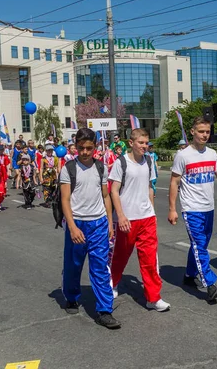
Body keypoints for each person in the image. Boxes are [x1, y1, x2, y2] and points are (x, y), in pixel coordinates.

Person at [168, 116, 217, 302]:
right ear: (192, 132)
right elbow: (174, 182)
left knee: (201, 245)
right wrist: (172, 209)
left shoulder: (212, 154)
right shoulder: (183, 155)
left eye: (207, 132)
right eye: (201, 131)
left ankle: (190, 274)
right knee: (200, 246)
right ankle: (209, 284)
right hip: (191, 208)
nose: (205, 135)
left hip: (209, 207)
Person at [60, 128, 119, 329]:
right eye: (81, 148)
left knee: (100, 267)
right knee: (74, 265)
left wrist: (110, 222)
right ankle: (72, 296)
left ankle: (104, 310)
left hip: (99, 224)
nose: (85, 152)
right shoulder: (68, 168)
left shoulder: (101, 167)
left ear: (95, 147)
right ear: (76, 147)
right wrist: (73, 227)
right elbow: (65, 200)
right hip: (77, 223)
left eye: (89, 148)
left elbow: (105, 196)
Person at [109, 128, 170, 311]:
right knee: (120, 256)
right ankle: (112, 283)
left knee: (150, 259)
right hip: (127, 219)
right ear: (131, 143)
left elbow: (150, 188)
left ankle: (153, 298)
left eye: (146, 143)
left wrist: (152, 212)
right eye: (141, 143)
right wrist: (120, 216)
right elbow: (113, 191)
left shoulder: (149, 161)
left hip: (146, 217)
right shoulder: (121, 163)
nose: (144, 146)